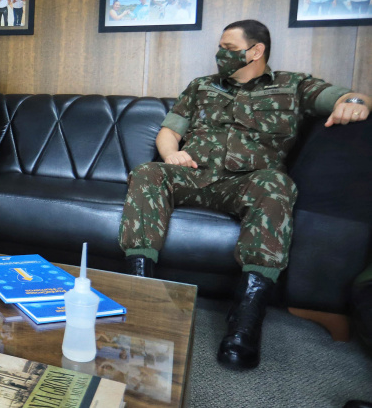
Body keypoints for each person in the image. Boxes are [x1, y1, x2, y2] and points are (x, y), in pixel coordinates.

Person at [118, 19, 369, 370]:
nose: (221, 55)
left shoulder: (292, 85)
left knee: (277, 184)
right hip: (194, 175)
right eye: (220, 48)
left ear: (256, 50)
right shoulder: (202, 86)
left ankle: (246, 321)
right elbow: (169, 131)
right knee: (147, 173)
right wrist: (170, 152)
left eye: (230, 49)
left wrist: (355, 101)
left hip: (248, 183)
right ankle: (140, 293)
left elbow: (342, 96)